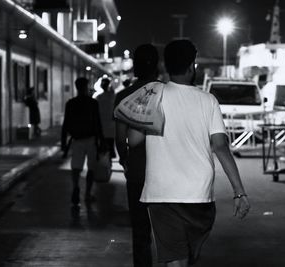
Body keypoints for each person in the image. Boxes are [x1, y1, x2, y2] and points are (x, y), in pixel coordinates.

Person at [130, 40, 250, 267]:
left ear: (166, 65)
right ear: (192, 66)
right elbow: (220, 146)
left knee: (178, 258)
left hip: (161, 193)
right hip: (198, 196)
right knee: (179, 259)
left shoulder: (154, 96)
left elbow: (133, 139)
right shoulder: (208, 101)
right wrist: (239, 191)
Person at [115, 44, 159, 267]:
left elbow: (120, 139)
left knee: (140, 231)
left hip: (137, 174)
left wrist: (125, 161)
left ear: (135, 66)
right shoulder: (166, 93)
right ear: (158, 66)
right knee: (168, 231)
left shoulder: (124, 96)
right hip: (166, 174)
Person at [61, 77, 104, 207]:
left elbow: (66, 124)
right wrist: (102, 140)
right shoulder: (93, 103)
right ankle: (87, 194)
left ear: (76, 87)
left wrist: (63, 142)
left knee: (76, 167)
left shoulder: (71, 103)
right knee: (91, 168)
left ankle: (76, 187)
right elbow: (98, 123)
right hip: (91, 139)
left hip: (77, 139)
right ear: (86, 87)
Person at [96, 77, 116, 159]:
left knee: (102, 146)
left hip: (101, 125)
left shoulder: (99, 97)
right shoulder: (114, 96)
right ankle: (109, 164)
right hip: (111, 125)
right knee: (110, 145)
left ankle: (106, 165)